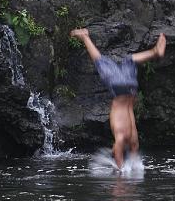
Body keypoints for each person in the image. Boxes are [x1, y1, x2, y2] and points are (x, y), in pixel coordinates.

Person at [70, 29, 166, 169]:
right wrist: (120, 169)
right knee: (100, 61)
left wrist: (126, 166)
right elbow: (119, 146)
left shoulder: (133, 139)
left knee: (128, 61)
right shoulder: (122, 135)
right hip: (120, 87)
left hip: (131, 89)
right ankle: (85, 36)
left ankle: (154, 52)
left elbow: (131, 151)